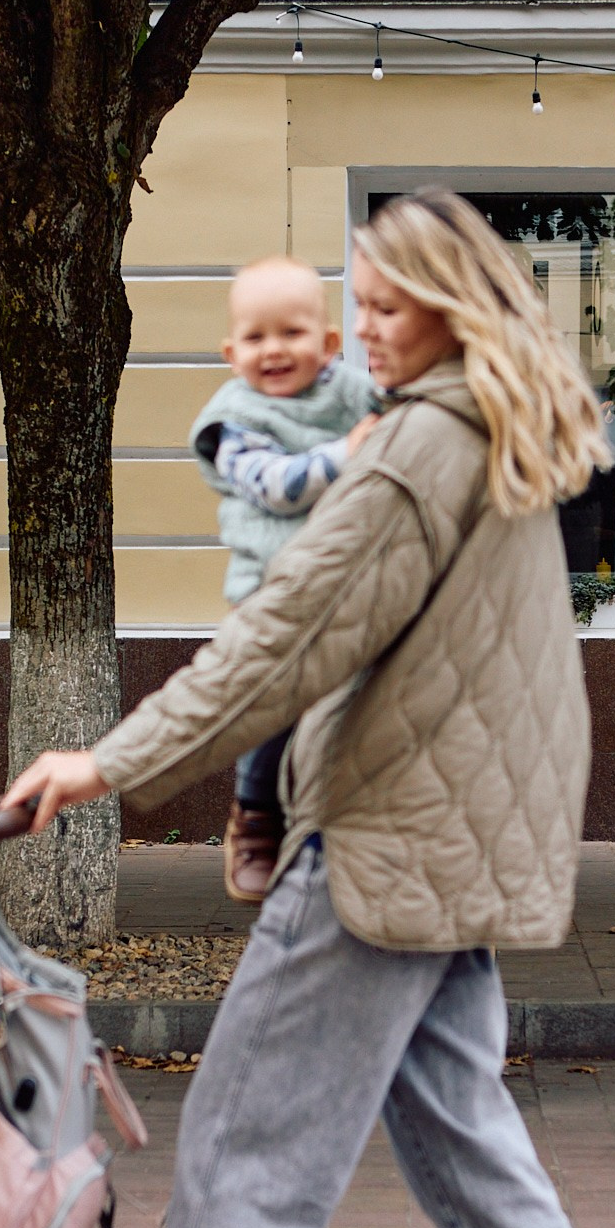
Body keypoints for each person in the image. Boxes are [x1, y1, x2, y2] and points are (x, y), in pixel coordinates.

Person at [9, 189, 615, 1228]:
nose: (360, 331)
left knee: (238, 1160)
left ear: (449, 307)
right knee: (478, 1170)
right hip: (456, 853)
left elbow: (284, 638)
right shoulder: (499, 432)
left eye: (381, 307)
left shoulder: (416, 450)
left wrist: (108, 760)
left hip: (382, 851)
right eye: (359, 304)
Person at [190, 255, 379, 903]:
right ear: (231, 351)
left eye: (292, 333)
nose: (273, 349)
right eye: (255, 337)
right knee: (273, 709)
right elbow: (278, 489)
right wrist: (348, 451)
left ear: (328, 343)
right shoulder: (230, 421)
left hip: (350, 587)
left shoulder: (354, 391)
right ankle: (254, 814)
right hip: (269, 593)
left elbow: (413, 421)